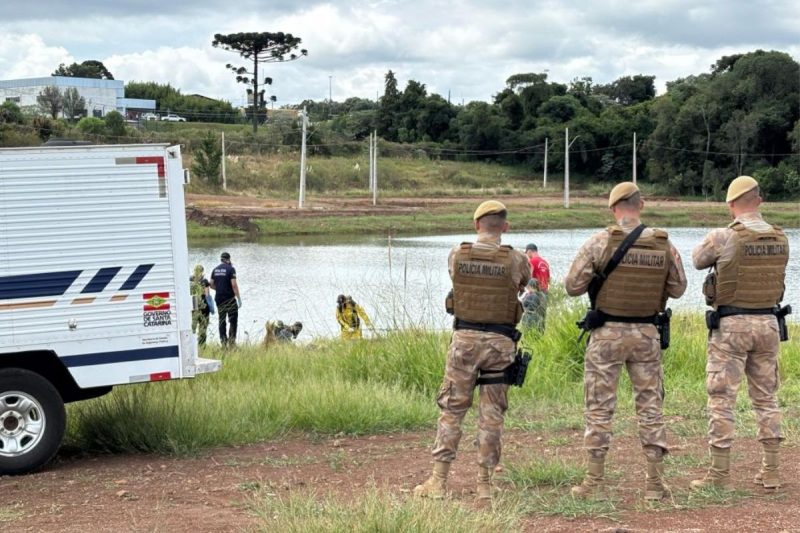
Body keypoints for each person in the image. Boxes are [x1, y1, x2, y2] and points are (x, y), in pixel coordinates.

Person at [564, 182, 686, 501]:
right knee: (650, 406)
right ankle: (655, 485)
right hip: (647, 334)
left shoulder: (601, 240)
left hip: (607, 335)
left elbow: (572, 286)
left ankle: (594, 483)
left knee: (600, 407)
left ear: (613, 208)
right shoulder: (663, 243)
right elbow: (678, 288)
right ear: (641, 204)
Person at [413, 200, 530, 505]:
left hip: (464, 340)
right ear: (505, 227)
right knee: (491, 415)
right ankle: (485, 486)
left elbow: (457, 279)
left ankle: (438, 481)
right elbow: (523, 283)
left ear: (477, 224)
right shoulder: (516, 259)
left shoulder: (457, 254)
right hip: (500, 342)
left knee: (452, 410)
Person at [690, 176, 790, 491]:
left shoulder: (724, 236)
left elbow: (697, 261)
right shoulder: (780, 237)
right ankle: (771, 472)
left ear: (731, 204)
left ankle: (719, 476)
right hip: (769, 325)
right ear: (759, 200)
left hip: (732, 326)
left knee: (722, 398)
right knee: (766, 397)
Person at [210, 252, 241, 347]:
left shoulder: (215, 270)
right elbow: (234, 285)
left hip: (219, 299)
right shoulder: (231, 269)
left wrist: (219, 289)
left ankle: (223, 343)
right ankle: (232, 343)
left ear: (221, 259)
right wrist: (239, 298)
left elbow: (211, 284)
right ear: (228, 259)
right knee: (233, 320)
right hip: (230, 299)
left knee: (222, 320)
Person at [190, 264, 214, 346]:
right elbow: (207, 295)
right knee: (203, 326)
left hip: (193, 305)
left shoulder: (190, 280)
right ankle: (202, 344)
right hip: (203, 306)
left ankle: (191, 344)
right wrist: (211, 307)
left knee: (193, 325)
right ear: (202, 272)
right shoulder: (204, 281)